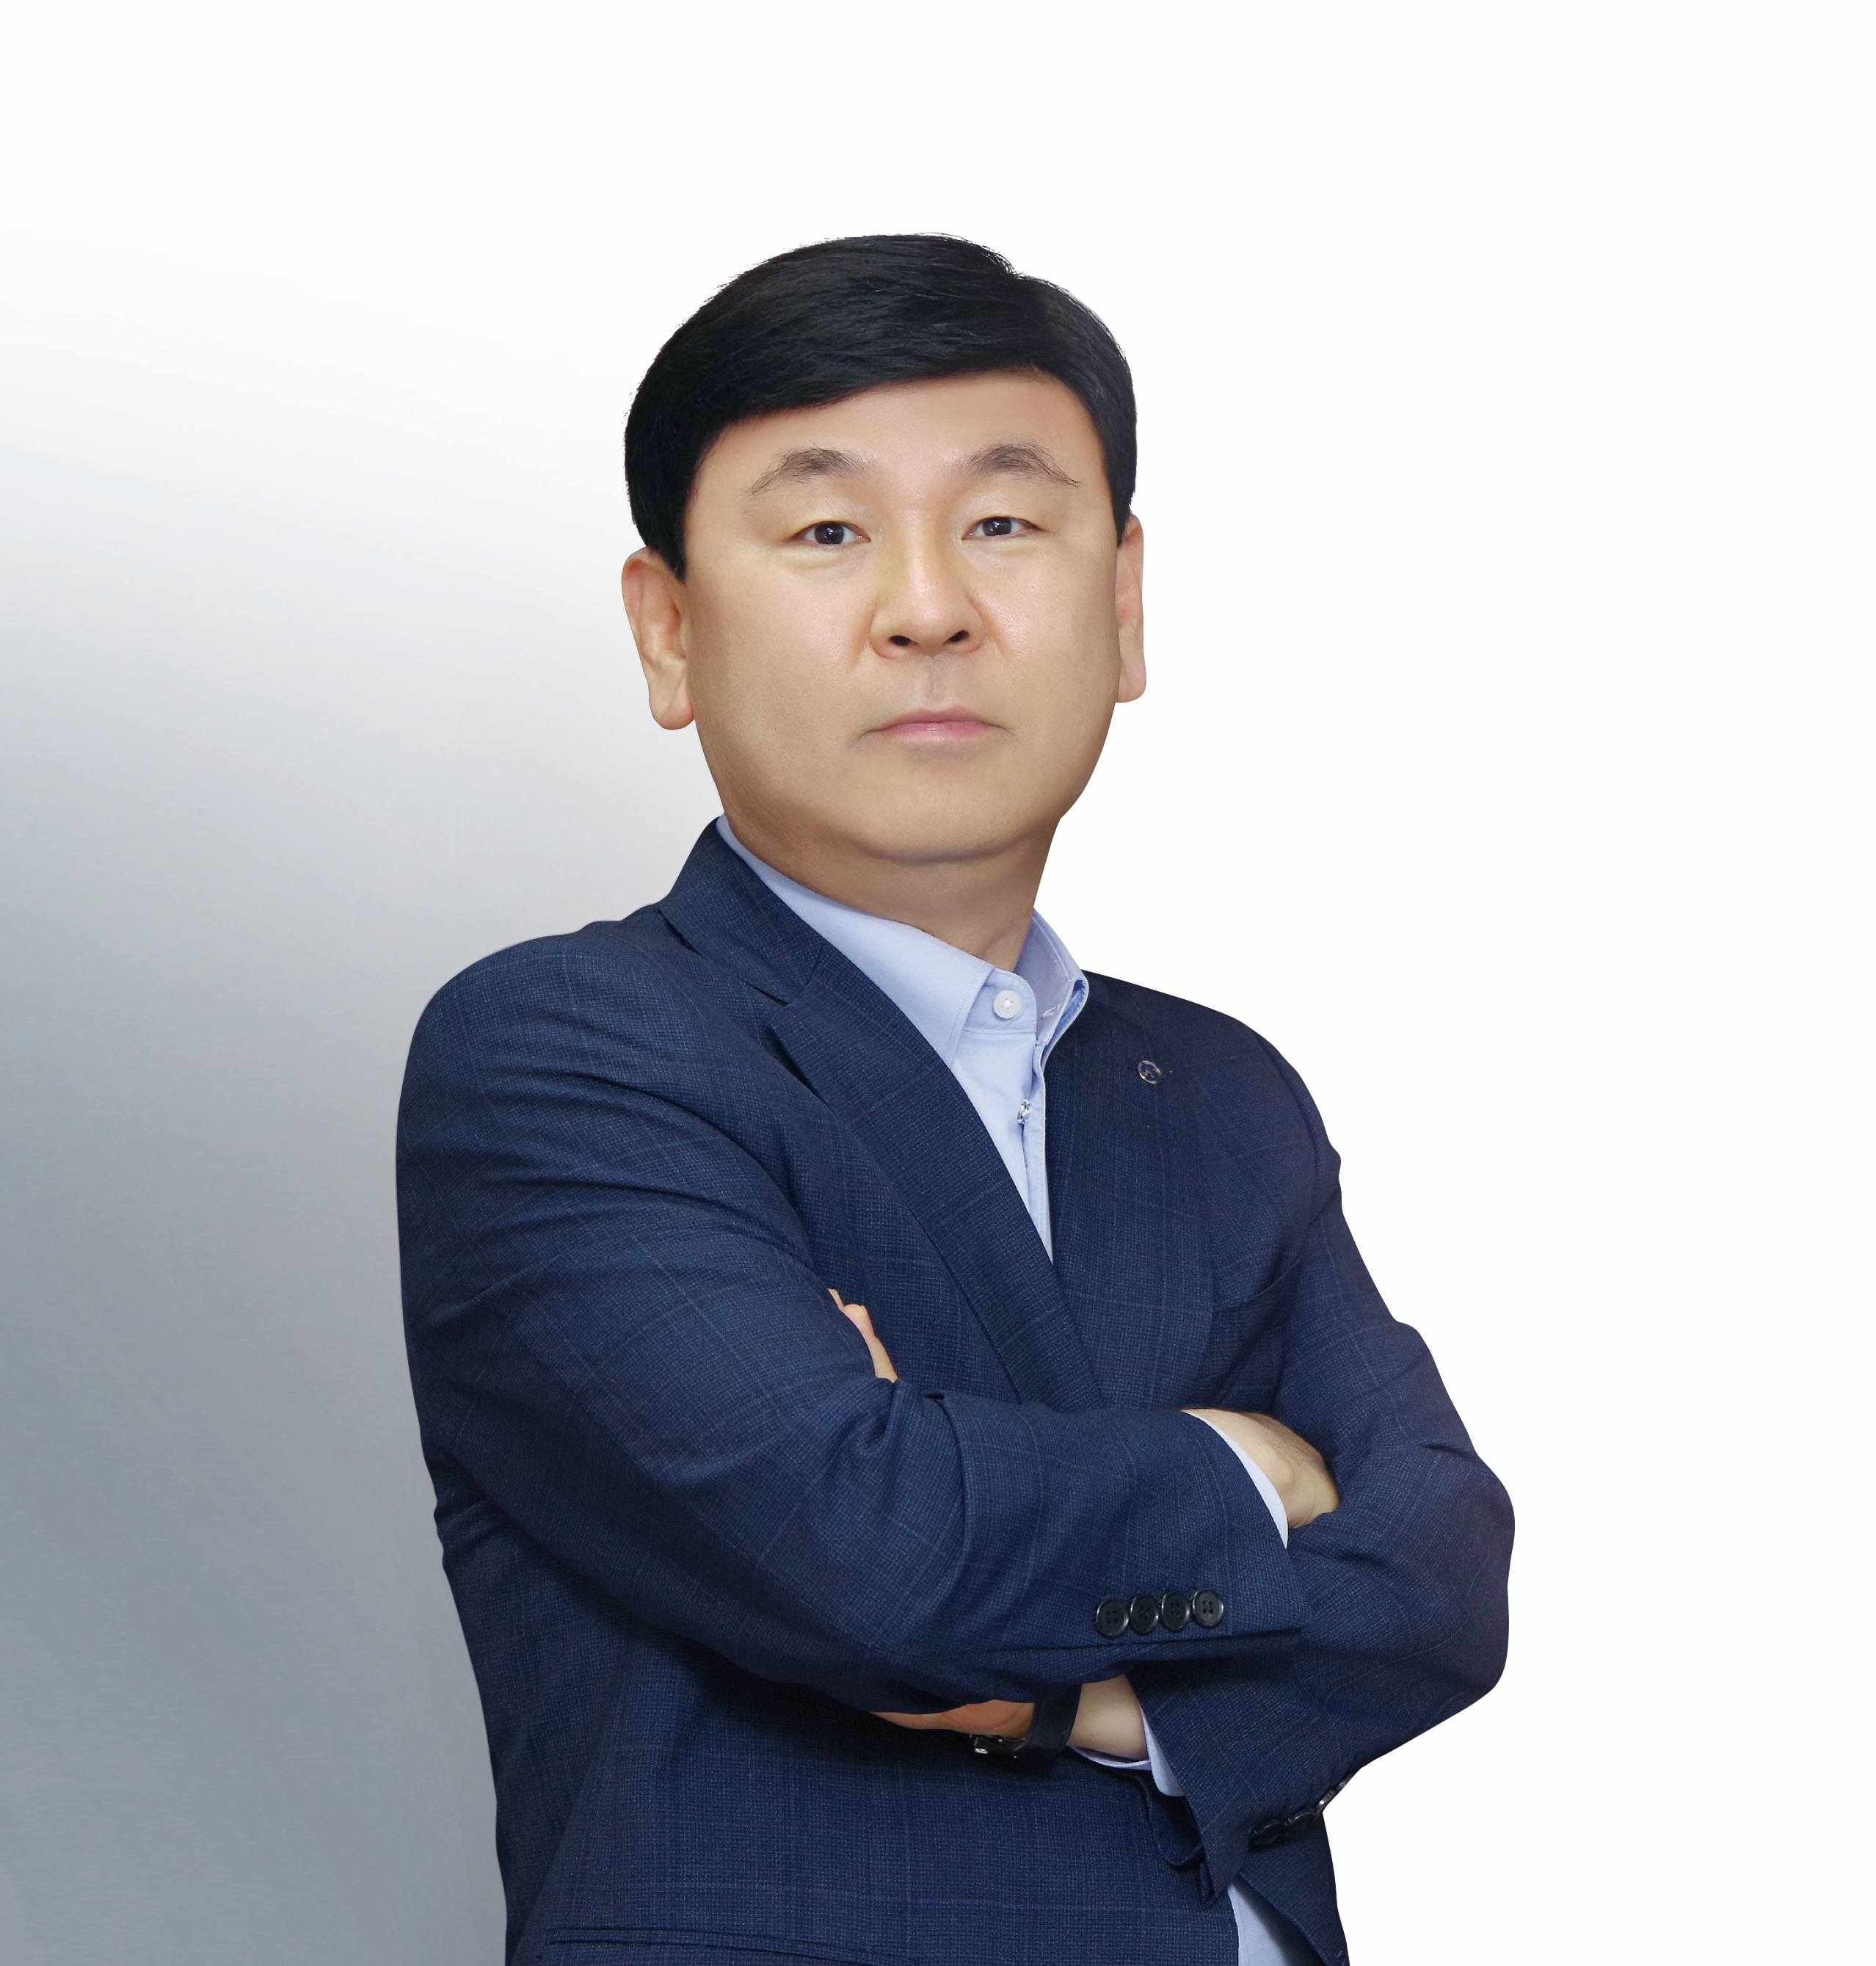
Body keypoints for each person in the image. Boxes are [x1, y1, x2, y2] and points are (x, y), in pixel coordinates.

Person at [393, 233, 1513, 1966]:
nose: (927, 608)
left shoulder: (1219, 1092)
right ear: (669, 630)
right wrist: (1245, 1463)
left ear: (1122, 605)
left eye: (1001, 521)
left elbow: (1443, 1580)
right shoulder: (566, 1051)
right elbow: (868, 1550)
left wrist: (1066, 1697)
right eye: (827, 532)